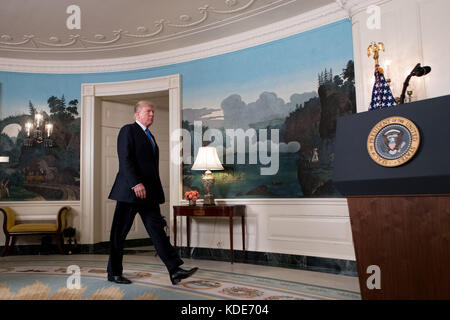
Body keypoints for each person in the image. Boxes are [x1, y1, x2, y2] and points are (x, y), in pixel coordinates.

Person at [107, 100, 198, 285]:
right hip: (130, 192)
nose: (152, 115)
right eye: (148, 111)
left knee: (158, 232)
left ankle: (175, 270)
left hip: (148, 195)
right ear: (137, 114)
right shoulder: (128, 130)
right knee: (119, 233)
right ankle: (114, 273)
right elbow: (125, 160)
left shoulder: (151, 137)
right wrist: (135, 183)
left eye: (153, 112)